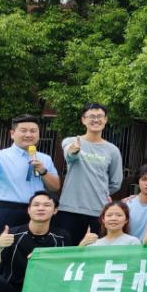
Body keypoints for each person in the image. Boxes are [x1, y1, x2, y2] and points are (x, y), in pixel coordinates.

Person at [0, 114, 61, 253]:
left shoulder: (45, 159)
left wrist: (43, 171)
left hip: (35, 214)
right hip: (5, 212)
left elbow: (55, 186)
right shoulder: (0, 155)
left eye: (33, 131)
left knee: (30, 256)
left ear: (38, 134)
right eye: (23, 130)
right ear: (12, 134)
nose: (28, 134)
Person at [56, 103, 124, 243]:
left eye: (100, 116)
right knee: (67, 249)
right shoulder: (71, 141)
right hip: (70, 209)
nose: (96, 120)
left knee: (94, 252)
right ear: (83, 120)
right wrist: (74, 151)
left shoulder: (112, 150)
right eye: (91, 116)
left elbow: (115, 183)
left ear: (105, 120)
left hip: (99, 211)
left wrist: (100, 191)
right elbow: (70, 155)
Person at [79, 202, 144, 247]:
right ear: (103, 219)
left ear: (126, 220)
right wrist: (82, 245)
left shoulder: (133, 242)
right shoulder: (94, 244)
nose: (113, 218)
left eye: (119, 215)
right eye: (109, 215)